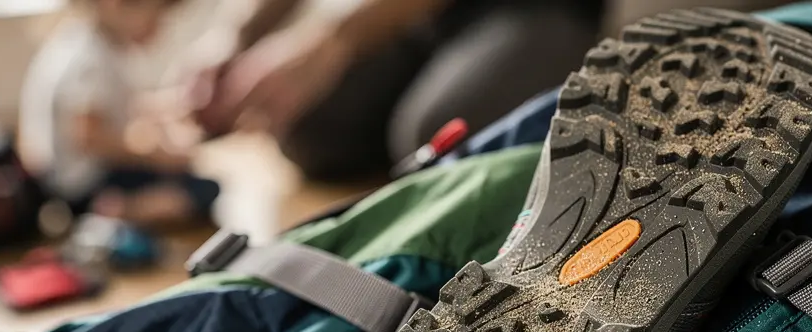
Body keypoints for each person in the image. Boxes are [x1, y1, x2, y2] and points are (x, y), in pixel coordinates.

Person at [189, 0, 604, 180]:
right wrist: (233, 37)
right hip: (427, 21)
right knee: (306, 127)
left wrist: (327, 42)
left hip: (535, 9)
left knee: (438, 136)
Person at [19, 0, 219, 228]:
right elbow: (88, 138)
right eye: (155, 16)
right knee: (205, 188)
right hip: (80, 186)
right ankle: (118, 211)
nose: (160, 27)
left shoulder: (81, 40)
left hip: (58, 178)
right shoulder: (90, 60)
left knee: (186, 174)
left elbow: (123, 106)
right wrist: (155, 155)